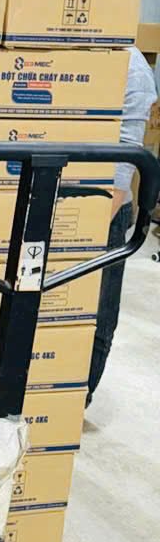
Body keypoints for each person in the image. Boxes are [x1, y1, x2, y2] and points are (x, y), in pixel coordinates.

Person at [87, 45, 158, 405]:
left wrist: (83, 233)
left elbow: (123, 161)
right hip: (54, 202)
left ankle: (75, 402)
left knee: (96, 317)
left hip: (104, 212)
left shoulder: (130, 66)